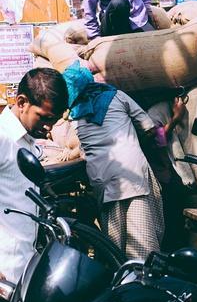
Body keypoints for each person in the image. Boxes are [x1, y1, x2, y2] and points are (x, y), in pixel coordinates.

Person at [62, 62, 185, 260]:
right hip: (132, 174)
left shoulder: (76, 116)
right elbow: (150, 129)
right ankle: (140, 282)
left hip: (102, 180)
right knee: (142, 240)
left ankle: (118, 280)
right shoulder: (117, 96)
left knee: (114, 243)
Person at [0, 69, 68, 282]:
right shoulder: (3, 138)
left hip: (23, 265)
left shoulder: (28, 142)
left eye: (54, 120)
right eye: (45, 118)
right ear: (21, 102)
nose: (49, 127)